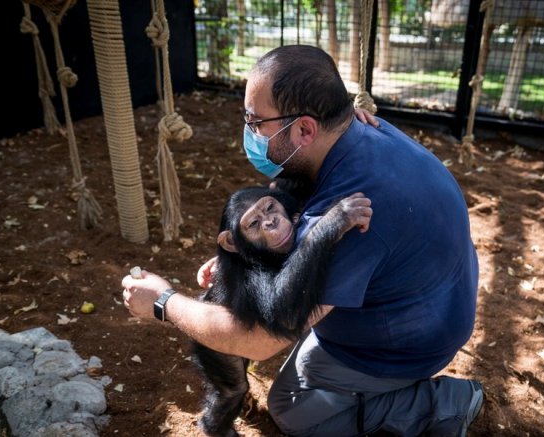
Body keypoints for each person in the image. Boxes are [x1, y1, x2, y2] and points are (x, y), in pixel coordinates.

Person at [122, 44, 482, 436]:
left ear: (305, 129)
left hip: (405, 345)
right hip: (439, 298)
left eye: (256, 122)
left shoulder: (349, 216)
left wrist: (162, 302)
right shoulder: (362, 129)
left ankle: (441, 403)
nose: (250, 132)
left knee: (292, 409)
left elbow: (258, 342)